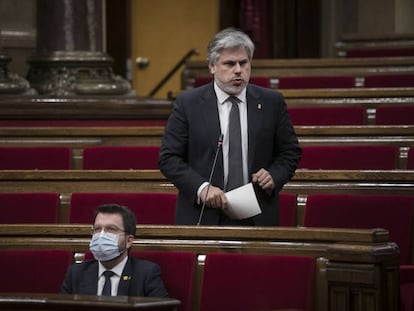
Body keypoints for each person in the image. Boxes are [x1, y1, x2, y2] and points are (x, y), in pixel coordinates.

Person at [159, 28, 301, 226]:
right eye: (229, 63)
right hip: (203, 215)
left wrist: (274, 176)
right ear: (212, 66)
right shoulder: (188, 104)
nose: (238, 70)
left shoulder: (271, 102)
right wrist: (201, 188)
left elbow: (289, 152)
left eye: (243, 63)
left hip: (257, 213)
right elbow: (169, 158)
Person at [61, 203, 168, 297]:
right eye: (97, 229)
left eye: (111, 229)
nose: (101, 235)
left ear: (129, 241)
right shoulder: (76, 273)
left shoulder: (146, 273)